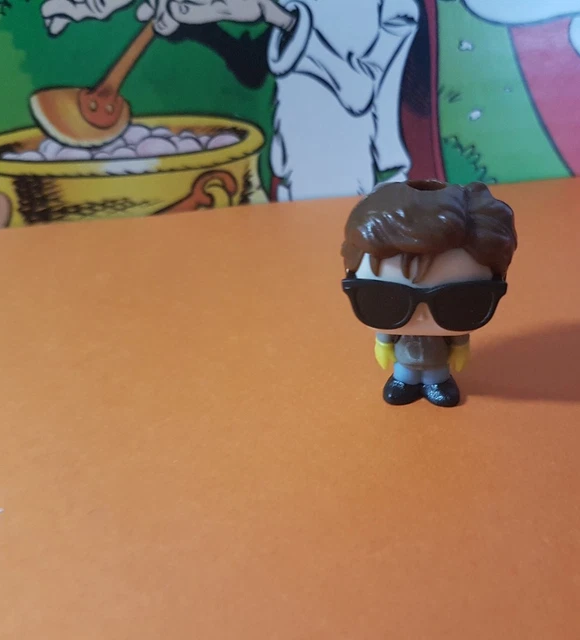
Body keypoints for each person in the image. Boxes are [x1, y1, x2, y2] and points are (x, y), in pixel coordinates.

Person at [41, 0, 420, 201]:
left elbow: (359, 92)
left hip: (359, 181)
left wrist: (282, 19)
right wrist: (89, 6)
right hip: (291, 171)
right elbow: (251, 62)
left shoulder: (396, 10)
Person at [341, 180, 517, 407]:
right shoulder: (395, 326)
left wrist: (460, 346)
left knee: (436, 374)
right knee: (405, 374)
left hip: (437, 362)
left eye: (457, 300)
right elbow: (385, 335)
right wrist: (383, 342)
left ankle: (436, 383)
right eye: (386, 299)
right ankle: (404, 382)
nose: (422, 315)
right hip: (404, 360)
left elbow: (459, 337)